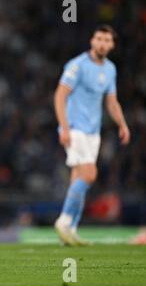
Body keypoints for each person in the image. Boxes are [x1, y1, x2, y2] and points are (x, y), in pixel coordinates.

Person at [54, 25, 130, 246]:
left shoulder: (110, 70)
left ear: (112, 45)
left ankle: (71, 232)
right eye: (99, 38)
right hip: (75, 127)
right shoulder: (77, 66)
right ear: (92, 41)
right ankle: (64, 221)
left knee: (79, 179)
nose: (102, 43)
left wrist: (122, 124)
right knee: (89, 174)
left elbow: (111, 101)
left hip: (93, 132)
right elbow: (60, 96)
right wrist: (64, 127)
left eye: (107, 40)